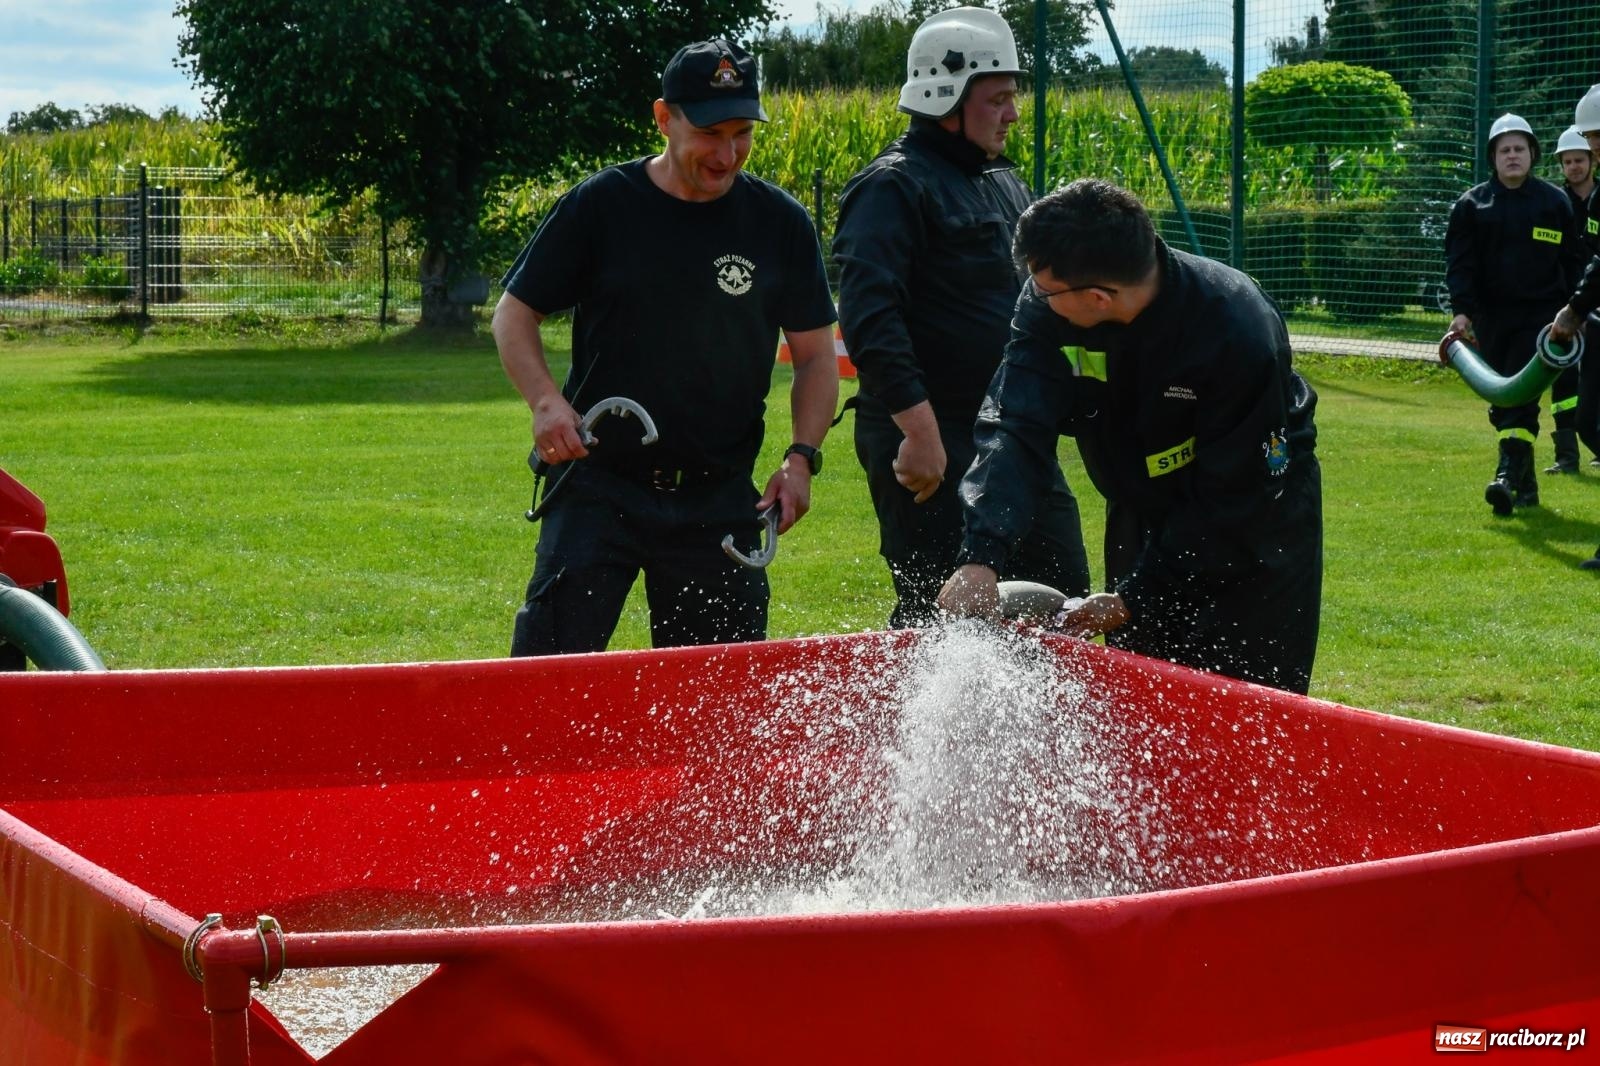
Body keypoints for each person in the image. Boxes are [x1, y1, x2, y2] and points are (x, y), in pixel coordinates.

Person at [492, 39, 840, 656]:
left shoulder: (778, 224)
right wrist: (546, 403)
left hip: (718, 496)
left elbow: (814, 355)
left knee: (713, 710)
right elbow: (514, 315)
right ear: (663, 117)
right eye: (710, 133)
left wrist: (801, 458)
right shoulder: (603, 206)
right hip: (600, 484)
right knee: (546, 681)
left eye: (742, 134)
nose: (727, 154)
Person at [937, 179, 1323, 694]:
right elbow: (1015, 423)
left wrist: (1135, 596)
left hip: (1257, 520)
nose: (1034, 294)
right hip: (1143, 505)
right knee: (1143, 696)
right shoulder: (1049, 304)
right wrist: (982, 554)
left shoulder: (1237, 329)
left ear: (1099, 297)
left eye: (1046, 289)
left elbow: (1233, 496)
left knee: (1247, 708)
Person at [831, 6, 1090, 629]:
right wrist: (918, 433)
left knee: (1062, 602)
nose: (1012, 113)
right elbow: (869, 318)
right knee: (942, 617)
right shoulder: (891, 187)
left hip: (1010, 434)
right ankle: (918, 732)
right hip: (932, 433)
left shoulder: (1002, 181)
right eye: (998, 98)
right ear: (946, 92)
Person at [1445, 113, 1586, 515]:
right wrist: (1462, 313)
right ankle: (1526, 488)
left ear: (1532, 154)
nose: (1512, 156)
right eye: (1504, 150)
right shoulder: (1471, 206)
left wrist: (1575, 313)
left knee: (1520, 400)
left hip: (1544, 320)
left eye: (1519, 149)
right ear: (1493, 157)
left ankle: (1506, 475)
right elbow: (1461, 265)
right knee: (1503, 402)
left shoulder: (1554, 203)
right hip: (1493, 320)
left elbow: (1575, 262)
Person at [1544, 125, 1598, 473]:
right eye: (1568, 161)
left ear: (1591, 161)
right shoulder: (1554, 203)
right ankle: (1566, 456)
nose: (1574, 167)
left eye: (1579, 160)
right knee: (1563, 377)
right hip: (1568, 301)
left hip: (1593, 300)